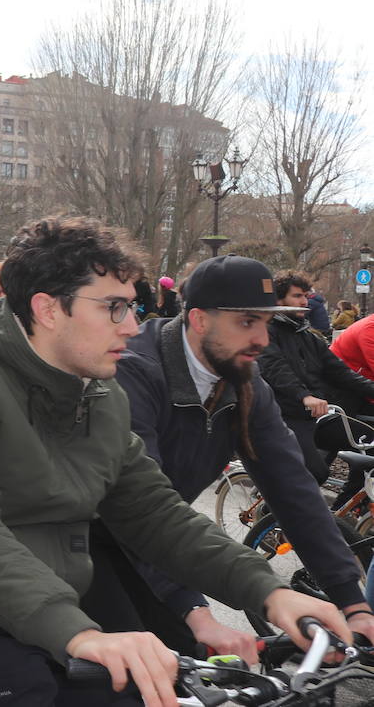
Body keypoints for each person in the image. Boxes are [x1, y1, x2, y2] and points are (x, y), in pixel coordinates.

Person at [0, 216, 352, 707]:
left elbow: (155, 513)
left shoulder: (99, 393)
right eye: (115, 307)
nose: (133, 325)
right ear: (48, 309)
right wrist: (79, 633)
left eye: (134, 306)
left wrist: (270, 592)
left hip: (57, 613)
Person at [83, 254, 374, 665]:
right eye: (246, 322)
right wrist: (195, 611)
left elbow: (293, 490)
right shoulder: (135, 370)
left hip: (159, 541)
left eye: (266, 322)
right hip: (85, 541)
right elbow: (136, 508)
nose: (263, 338)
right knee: (132, 672)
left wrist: (353, 603)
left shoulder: (244, 378)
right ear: (199, 319)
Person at [258, 269, 374, 484]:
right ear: (278, 299)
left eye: (305, 296)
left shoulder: (309, 337)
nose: (304, 301)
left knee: (370, 449)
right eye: (297, 296)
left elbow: (342, 373)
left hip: (319, 418)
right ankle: (273, 516)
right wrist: (304, 396)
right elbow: (276, 369)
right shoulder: (266, 332)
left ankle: (344, 512)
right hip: (286, 415)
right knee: (314, 474)